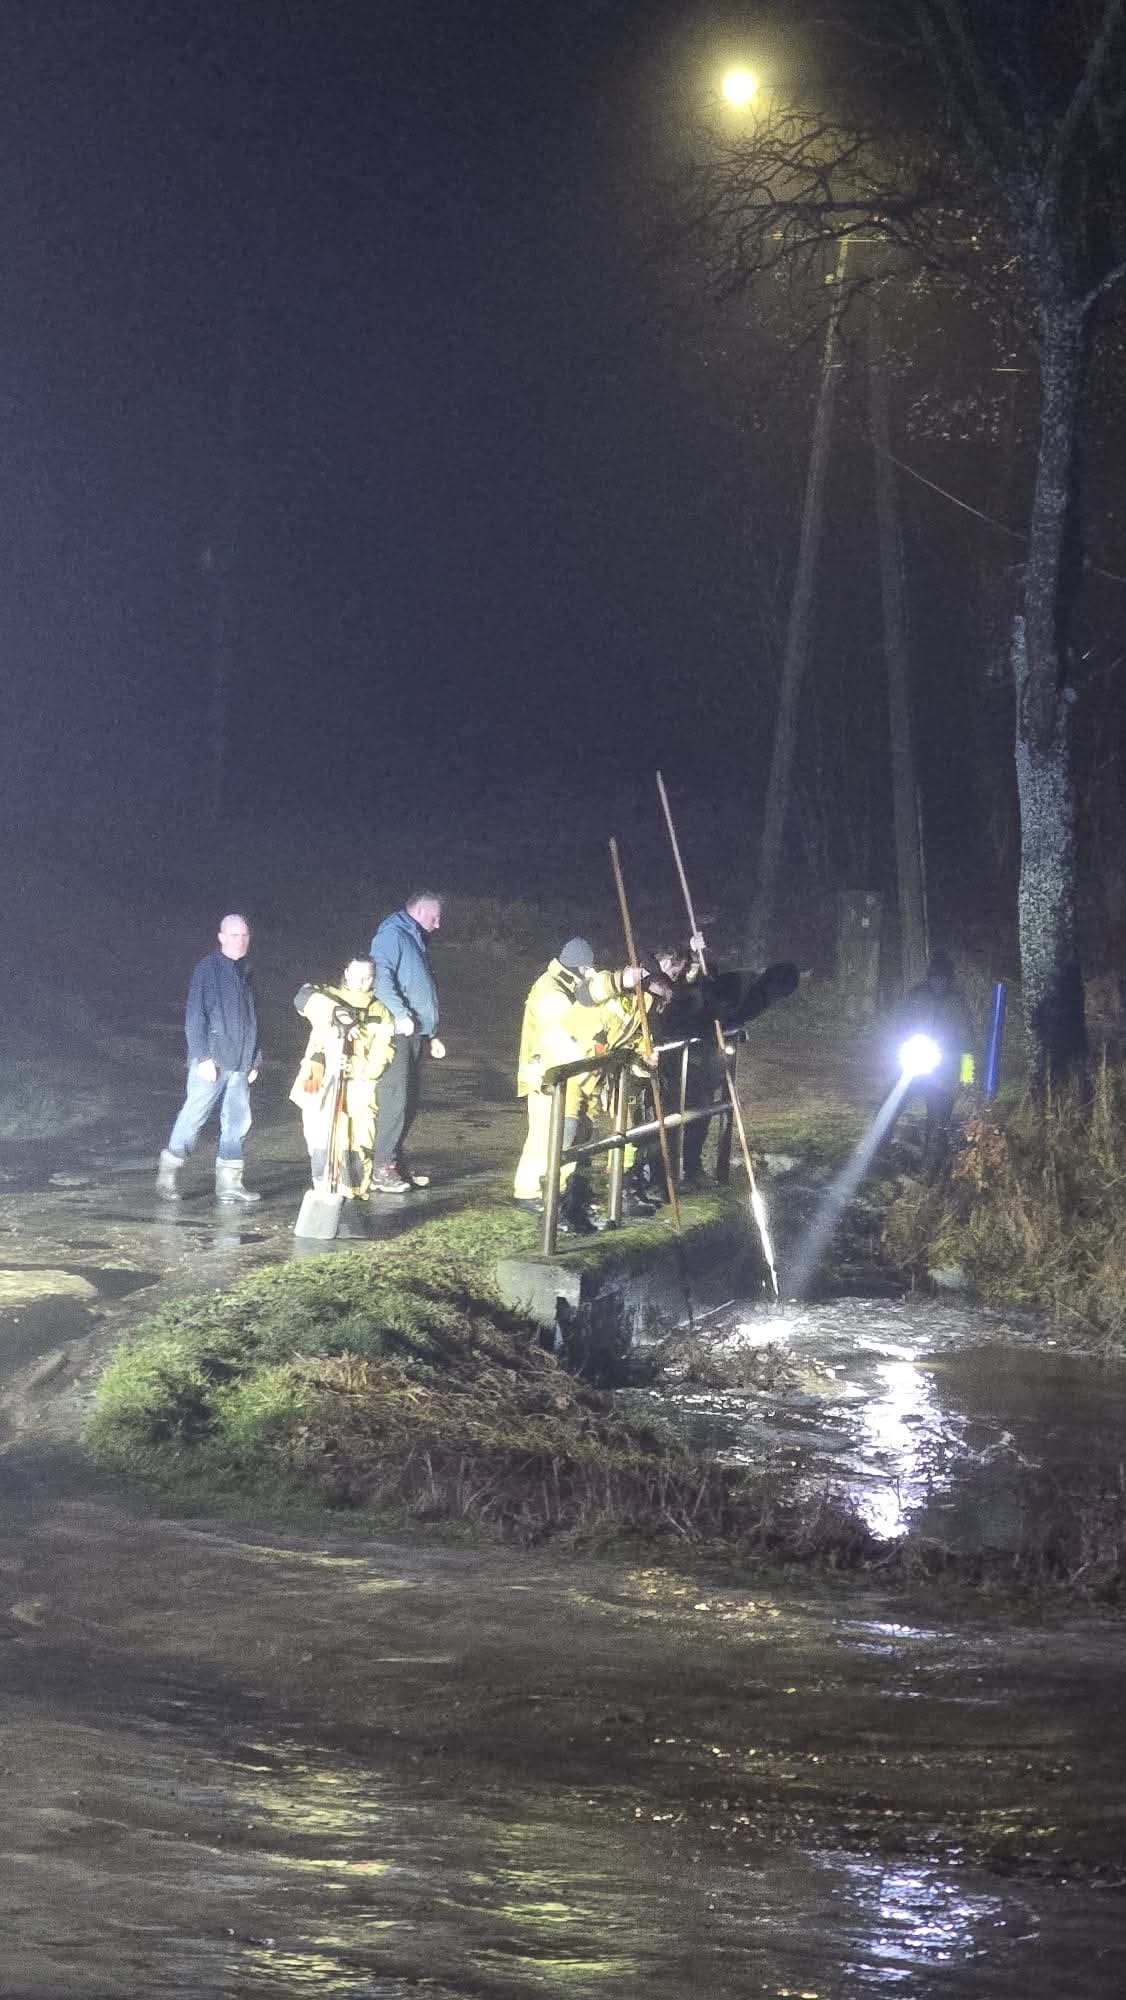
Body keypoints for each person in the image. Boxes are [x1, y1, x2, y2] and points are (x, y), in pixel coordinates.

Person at [513, 939, 646, 1227]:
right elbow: (560, 1038)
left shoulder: (560, 985)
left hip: (558, 1075)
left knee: (548, 1138)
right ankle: (532, 1193)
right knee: (546, 1139)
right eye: (587, 968)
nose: (590, 972)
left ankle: (541, 1192)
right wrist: (587, 1070)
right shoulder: (552, 992)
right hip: (548, 1075)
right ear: (578, 966)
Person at [156, 913, 261, 1205]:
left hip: (241, 1063)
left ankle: (230, 1185)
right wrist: (202, 1056)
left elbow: (253, 1019)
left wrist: (255, 1060)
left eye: (245, 935)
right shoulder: (207, 968)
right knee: (194, 1116)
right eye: (235, 935)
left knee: (237, 1123)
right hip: (212, 1061)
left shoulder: (246, 970)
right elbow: (195, 1015)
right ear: (221, 937)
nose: (241, 941)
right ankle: (168, 1175)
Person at [290, 957, 397, 1234]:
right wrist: (337, 1011)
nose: (362, 982)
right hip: (322, 1084)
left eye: (368, 977)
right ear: (346, 973)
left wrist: (359, 1068)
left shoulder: (381, 1012)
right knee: (322, 1143)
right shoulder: (327, 997)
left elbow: (384, 1052)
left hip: (359, 1087)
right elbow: (302, 997)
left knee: (358, 1145)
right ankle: (324, 1199)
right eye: (357, 976)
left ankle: (353, 1210)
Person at [370, 890, 446, 1193]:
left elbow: (419, 988)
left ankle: (395, 1163)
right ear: (420, 911)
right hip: (398, 1033)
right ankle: (381, 1168)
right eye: (435, 917)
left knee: (409, 1101)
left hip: (417, 1033)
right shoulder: (393, 935)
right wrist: (400, 1014)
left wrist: (431, 1034)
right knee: (396, 1100)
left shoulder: (415, 940)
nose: (438, 924)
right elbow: (382, 978)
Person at [900, 950, 976, 1171]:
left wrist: (966, 1076)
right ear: (929, 978)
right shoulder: (916, 997)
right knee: (890, 1106)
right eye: (935, 978)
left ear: (949, 980)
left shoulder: (957, 1002)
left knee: (938, 1120)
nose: (938, 983)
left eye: (942, 979)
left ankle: (932, 1167)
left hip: (944, 1071)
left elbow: (967, 1042)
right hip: (913, 1062)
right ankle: (875, 1151)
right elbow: (900, 1026)